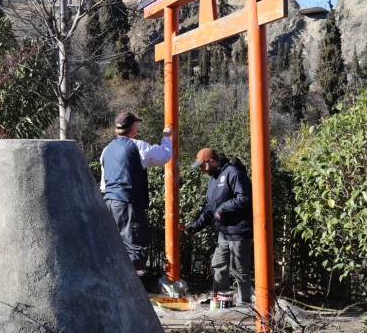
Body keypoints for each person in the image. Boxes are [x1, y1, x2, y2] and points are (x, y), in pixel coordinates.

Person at [100, 111, 172, 276]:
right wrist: (166, 137)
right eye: (136, 124)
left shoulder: (106, 149)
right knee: (135, 246)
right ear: (132, 127)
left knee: (114, 246)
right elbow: (164, 155)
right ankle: (134, 293)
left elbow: (104, 183)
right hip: (128, 203)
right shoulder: (137, 146)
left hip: (110, 202)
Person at [183, 148, 253, 304]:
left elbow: (244, 197)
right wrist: (194, 227)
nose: (201, 169)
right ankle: (220, 300)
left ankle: (245, 304)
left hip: (239, 231)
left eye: (202, 165)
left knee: (239, 269)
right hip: (224, 232)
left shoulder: (233, 173)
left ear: (212, 162)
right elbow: (209, 208)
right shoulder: (213, 178)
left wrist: (223, 208)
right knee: (219, 264)